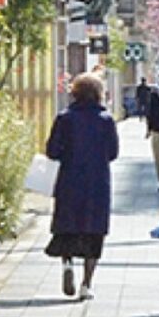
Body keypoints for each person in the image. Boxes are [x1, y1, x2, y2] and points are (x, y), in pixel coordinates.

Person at [45, 71, 119, 301]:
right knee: (94, 232)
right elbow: (113, 153)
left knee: (67, 226)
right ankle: (86, 284)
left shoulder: (65, 118)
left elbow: (52, 151)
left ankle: (67, 264)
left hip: (69, 180)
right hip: (97, 183)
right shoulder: (106, 120)